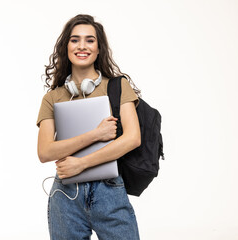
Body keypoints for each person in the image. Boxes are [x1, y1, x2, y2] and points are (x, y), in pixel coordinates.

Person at [36, 14, 141, 240]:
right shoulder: (52, 98)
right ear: (66, 47)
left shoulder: (118, 86)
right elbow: (45, 152)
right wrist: (96, 134)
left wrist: (81, 164)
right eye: (75, 40)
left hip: (109, 190)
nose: (82, 46)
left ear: (99, 48)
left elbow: (132, 138)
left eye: (90, 40)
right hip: (65, 195)